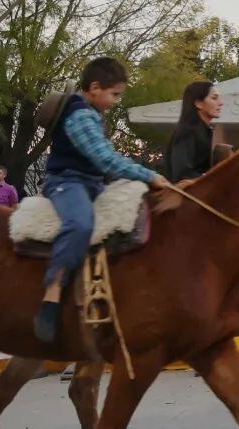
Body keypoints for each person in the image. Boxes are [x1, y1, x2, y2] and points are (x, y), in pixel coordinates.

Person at [34, 57, 168, 343]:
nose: (117, 101)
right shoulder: (80, 115)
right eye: (115, 94)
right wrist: (148, 175)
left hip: (92, 184)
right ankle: (53, 291)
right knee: (81, 224)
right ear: (94, 87)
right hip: (67, 182)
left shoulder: (93, 114)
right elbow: (105, 159)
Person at [164, 80, 223, 183]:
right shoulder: (187, 132)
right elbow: (183, 175)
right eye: (214, 98)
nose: (221, 103)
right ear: (199, 104)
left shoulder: (208, 131)